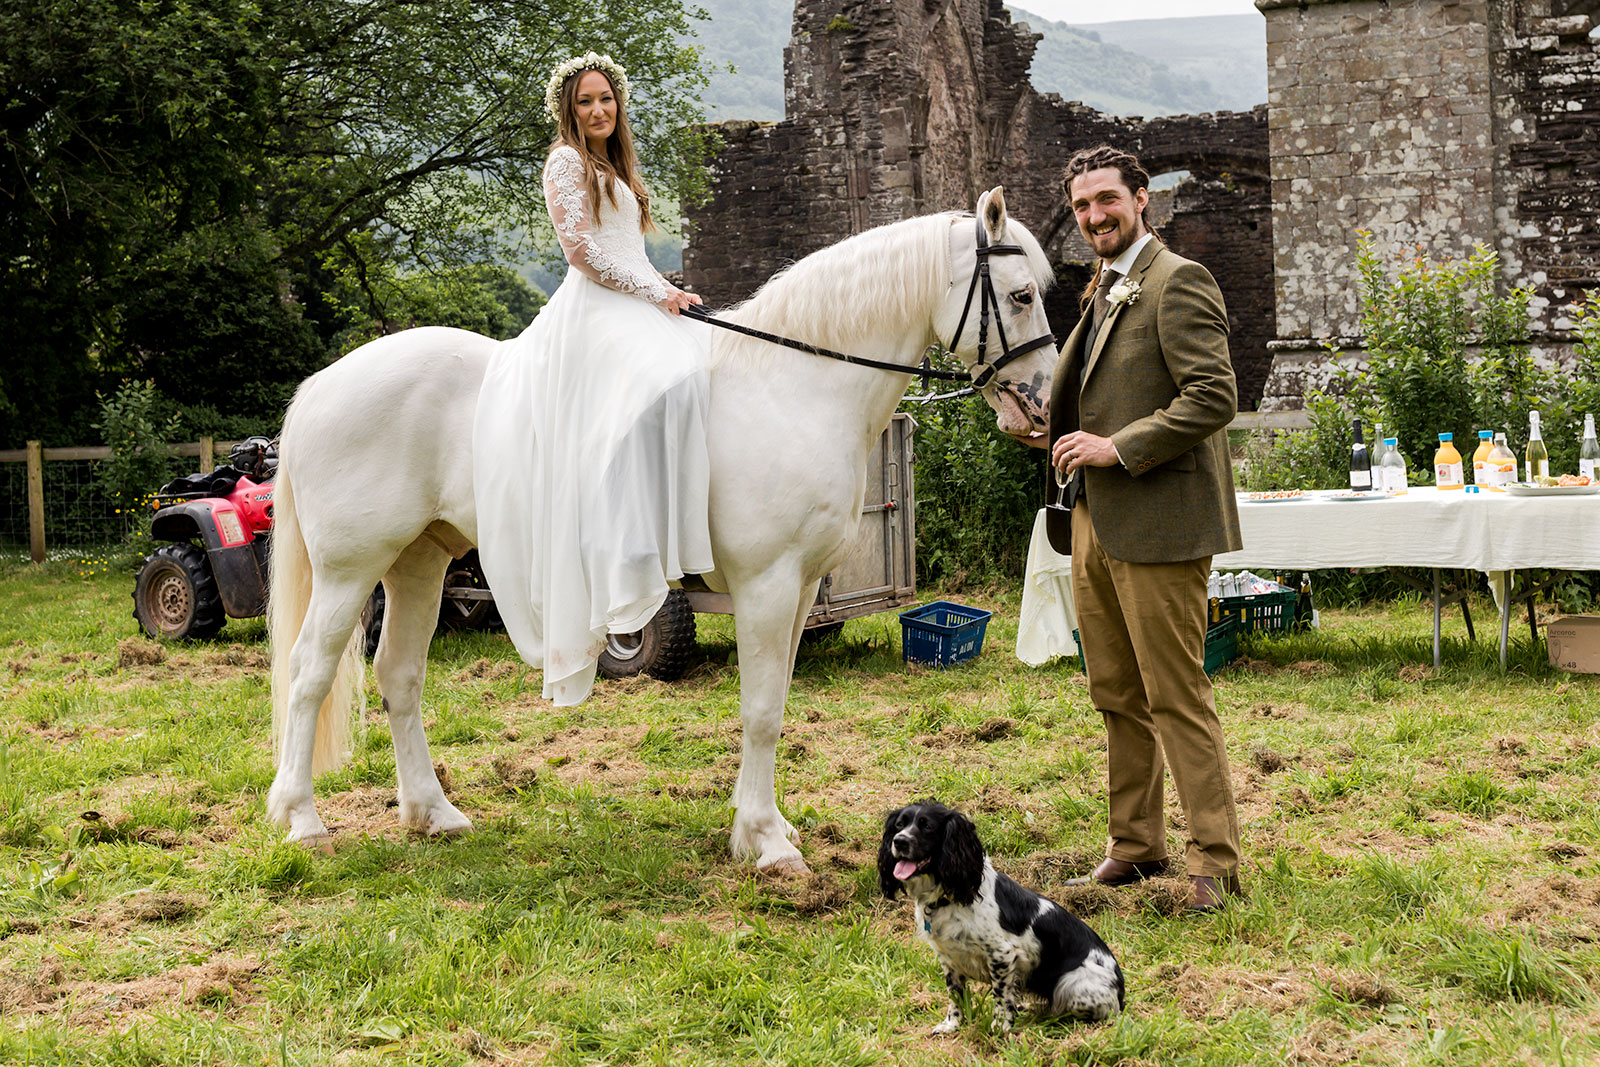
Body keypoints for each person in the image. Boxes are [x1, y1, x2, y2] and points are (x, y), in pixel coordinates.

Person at [472, 52, 714, 705]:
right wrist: (656, 290)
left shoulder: (617, 165)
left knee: (703, 365)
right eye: (586, 102)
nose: (599, 110)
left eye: (606, 99)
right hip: (596, 309)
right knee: (660, 380)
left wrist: (665, 290)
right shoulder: (566, 163)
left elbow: (628, 246)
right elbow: (581, 251)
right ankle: (622, 551)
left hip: (637, 300)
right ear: (568, 109)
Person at [1044, 145, 1245, 913]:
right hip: (1094, 519)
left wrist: (1116, 447)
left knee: (1175, 693)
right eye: (1082, 206)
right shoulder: (1103, 288)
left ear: (1142, 198)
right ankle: (1134, 846)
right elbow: (1101, 392)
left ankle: (1215, 861)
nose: (1094, 215)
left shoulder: (1178, 281)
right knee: (1115, 693)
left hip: (1161, 521)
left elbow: (1212, 396)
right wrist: (1055, 430)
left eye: (1106, 199)